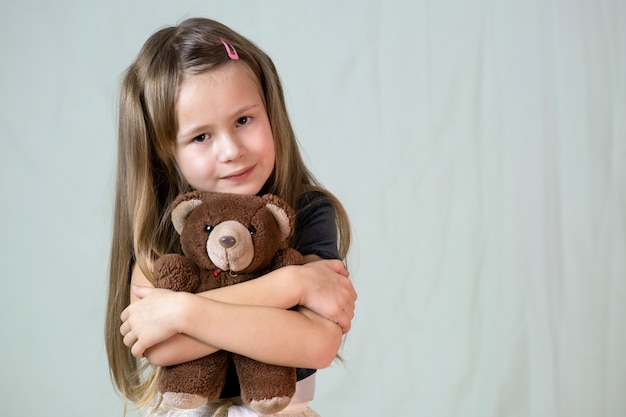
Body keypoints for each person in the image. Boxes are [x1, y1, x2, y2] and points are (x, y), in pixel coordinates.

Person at [104, 17, 357, 417]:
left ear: (270, 111)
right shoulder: (162, 233)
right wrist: (293, 284)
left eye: (243, 120)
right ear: (164, 152)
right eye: (201, 137)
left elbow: (317, 344)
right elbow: (162, 344)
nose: (231, 150)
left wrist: (182, 311)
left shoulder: (306, 212)